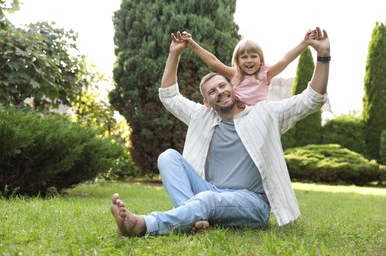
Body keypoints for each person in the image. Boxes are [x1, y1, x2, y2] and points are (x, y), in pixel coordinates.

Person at [110, 26, 330, 236]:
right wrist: (174, 54)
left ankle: (143, 225)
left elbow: (312, 100)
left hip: (252, 203)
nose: (220, 92)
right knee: (168, 157)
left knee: (207, 198)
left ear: (233, 87)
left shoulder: (263, 114)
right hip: (211, 191)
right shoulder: (202, 117)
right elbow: (169, 96)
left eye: (223, 86)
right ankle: (194, 221)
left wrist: (323, 56)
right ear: (206, 102)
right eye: (212, 92)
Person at [182, 29, 318, 105]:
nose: (249, 60)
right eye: (244, 57)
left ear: (260, 60)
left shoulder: (266, 74)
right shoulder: (235, 74)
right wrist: (192, 44)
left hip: (260, 113)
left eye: (253, 56)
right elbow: (214, 62)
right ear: (237, 61)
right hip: (238, 112)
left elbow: (285, 60)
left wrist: (304, 43)